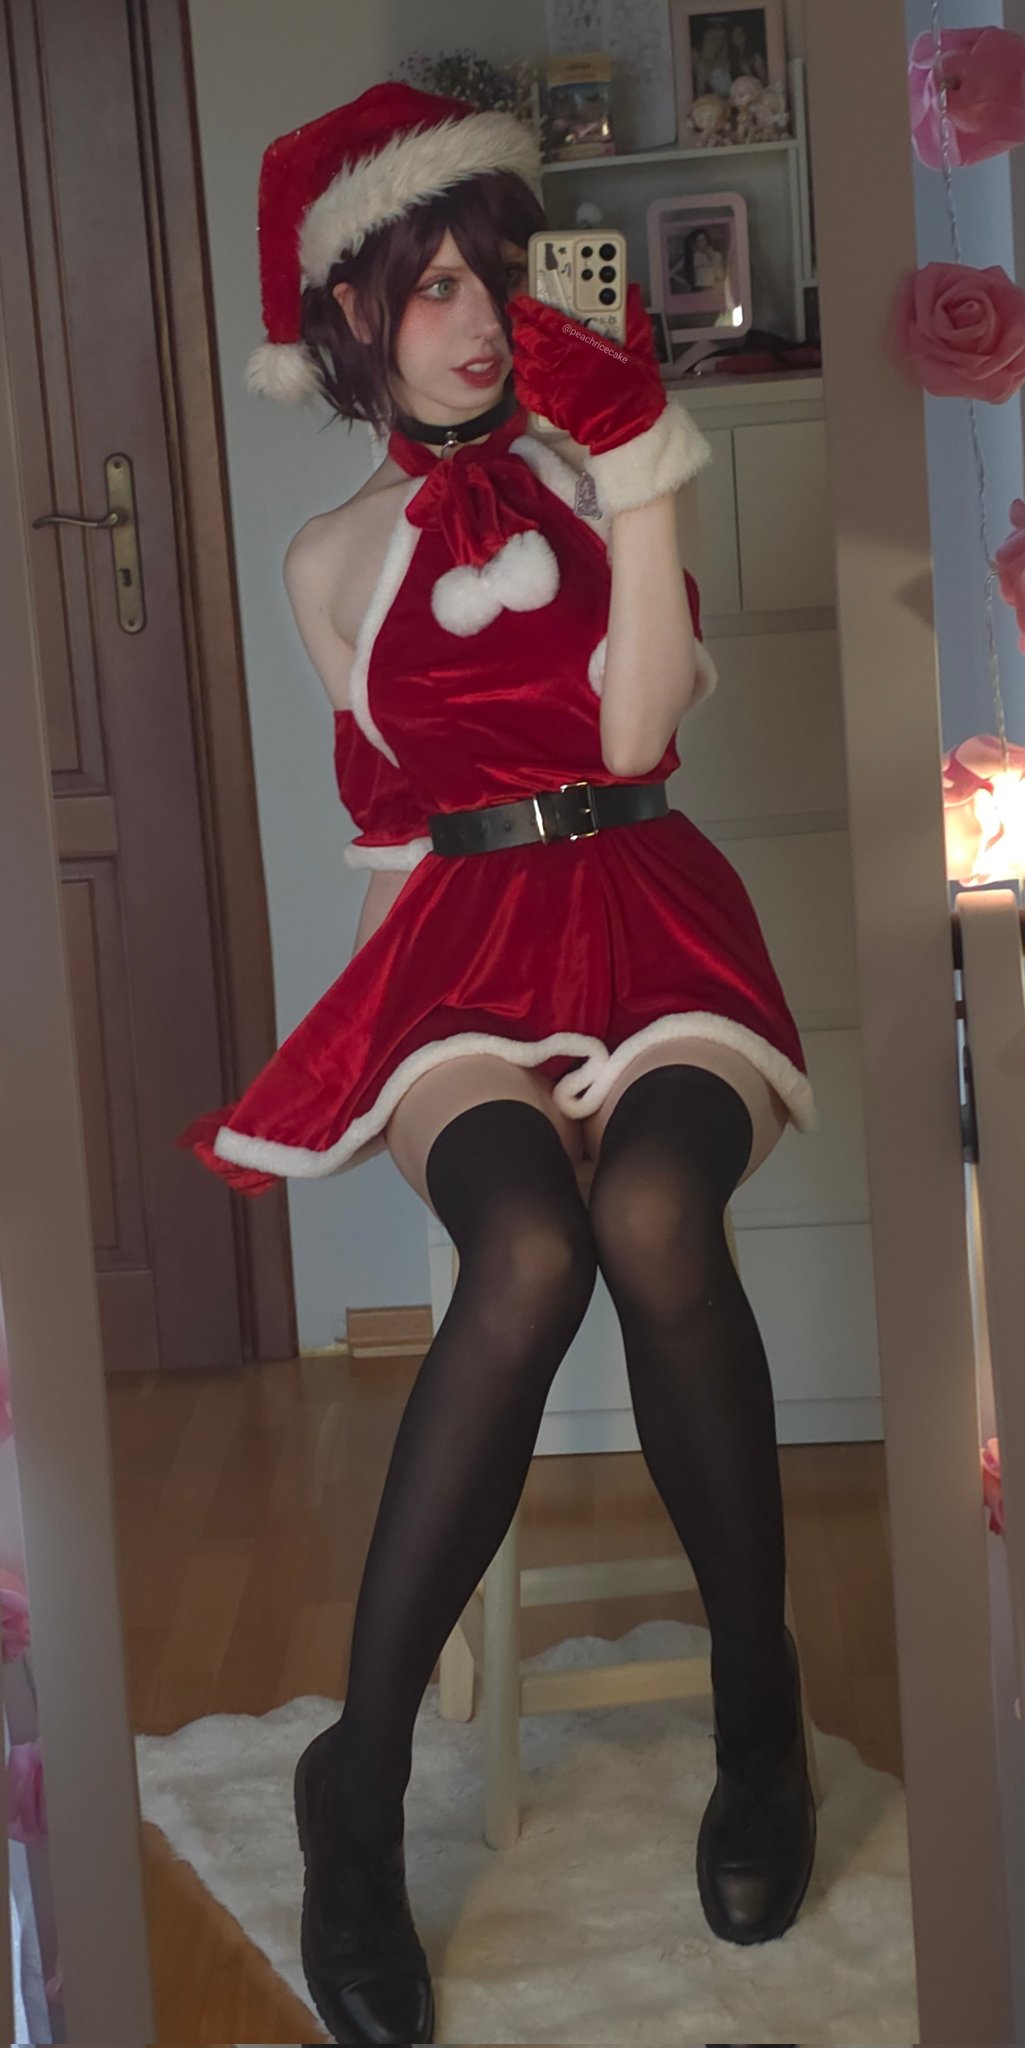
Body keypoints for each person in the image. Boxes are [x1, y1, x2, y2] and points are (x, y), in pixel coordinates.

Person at [177, 81, 818, 2048]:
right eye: (428, 284)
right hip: (460, 949)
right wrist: (392, 1035)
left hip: (652, 915)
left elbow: (633, 741)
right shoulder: (324, 561)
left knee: (651, 1208)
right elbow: (392, 837)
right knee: (527, 1242)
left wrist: (640, 463)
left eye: (492, 276)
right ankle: (357, 1783)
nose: (472, 318)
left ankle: (758, 1706)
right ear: (350, 318)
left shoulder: (593, 470)